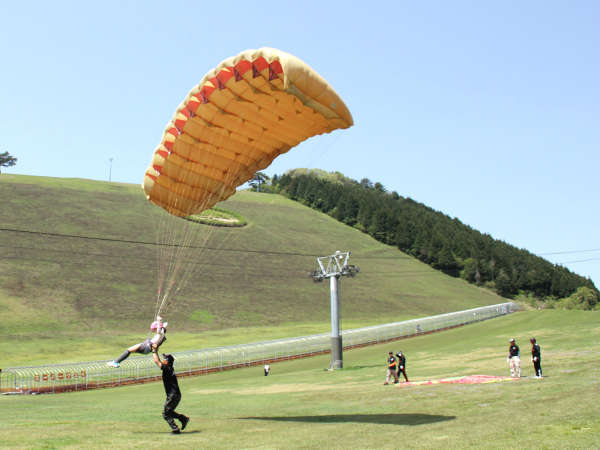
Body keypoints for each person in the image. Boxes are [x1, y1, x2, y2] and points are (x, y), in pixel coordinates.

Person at [152, 352, 189, 434]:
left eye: (165, 359)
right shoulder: (169, 368)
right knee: (169, 412)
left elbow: (156, 361)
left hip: (173, 395)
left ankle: (175, 429)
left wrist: (154, 351)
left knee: (165, 413)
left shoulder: (167, 368)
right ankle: (183, 419)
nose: (163, 360)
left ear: (168, 361)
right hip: (175, 394)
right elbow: (158, 361)